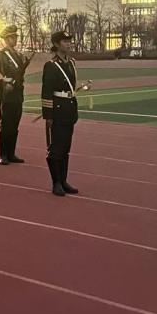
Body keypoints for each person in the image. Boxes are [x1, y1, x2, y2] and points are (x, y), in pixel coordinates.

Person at [41, 31, 89, 196]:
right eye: (64, 41)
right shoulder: (51, 65)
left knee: (66, 148)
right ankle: (56, 182)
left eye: (69, 41)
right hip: (57, 110)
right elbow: (46, 92)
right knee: (56, 148)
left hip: (69, 109)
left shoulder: (71, 63)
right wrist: (48, 115)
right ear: (56, 44)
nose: (68, 44)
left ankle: (63, 180)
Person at [0, 24, 30, 165]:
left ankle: (11, 153)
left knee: (15, 124)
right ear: (6, 39)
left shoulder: (19, 56)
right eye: (12, 37)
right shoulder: (1, 55)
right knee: (6, 125)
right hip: (6, 94)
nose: (15, 39)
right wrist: (3, 84)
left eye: (15, 37)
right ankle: (3, 154)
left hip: (17, 93)